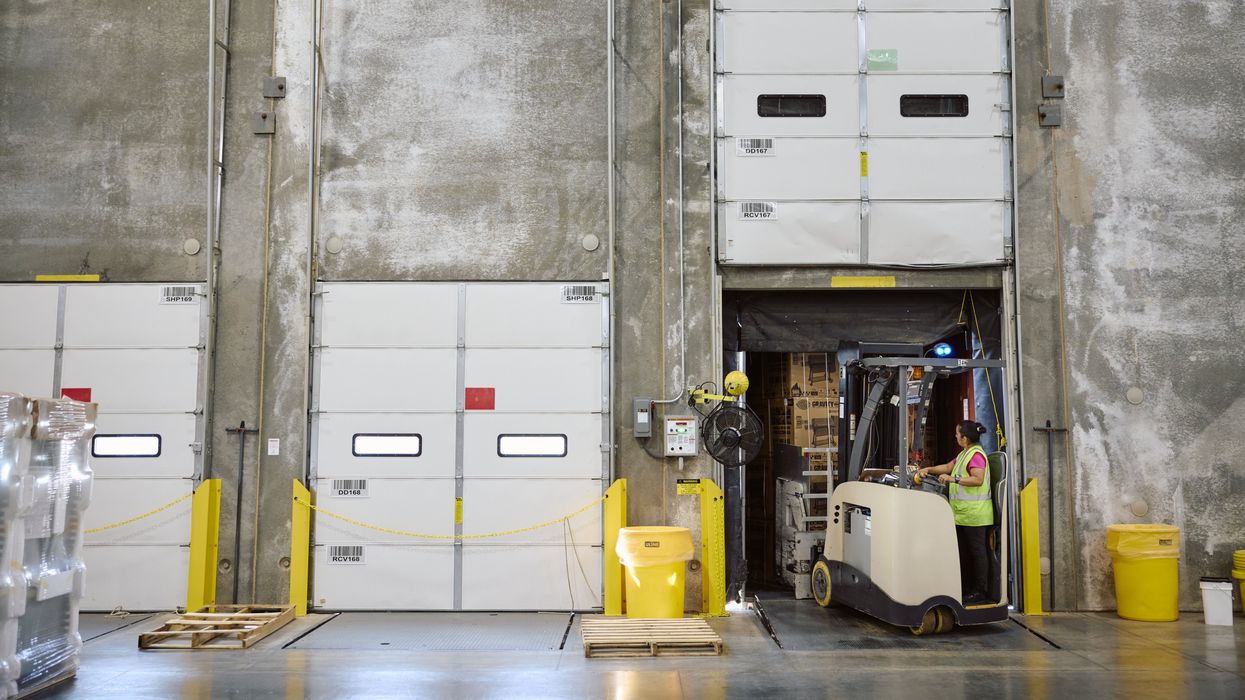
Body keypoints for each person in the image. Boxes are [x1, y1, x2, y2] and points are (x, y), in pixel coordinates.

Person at [917, 421, 992, 604]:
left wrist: (953, 479)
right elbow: (948, 467)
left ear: (965, 438)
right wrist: (929, 469)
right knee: (963, 553)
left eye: (957, 434)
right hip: (963, 515)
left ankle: (980, 592)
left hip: (975, 515)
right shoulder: (964, 454)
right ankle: (966, 589)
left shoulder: (976, 455)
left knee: (977, 555)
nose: (955, 436)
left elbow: (977, 479)